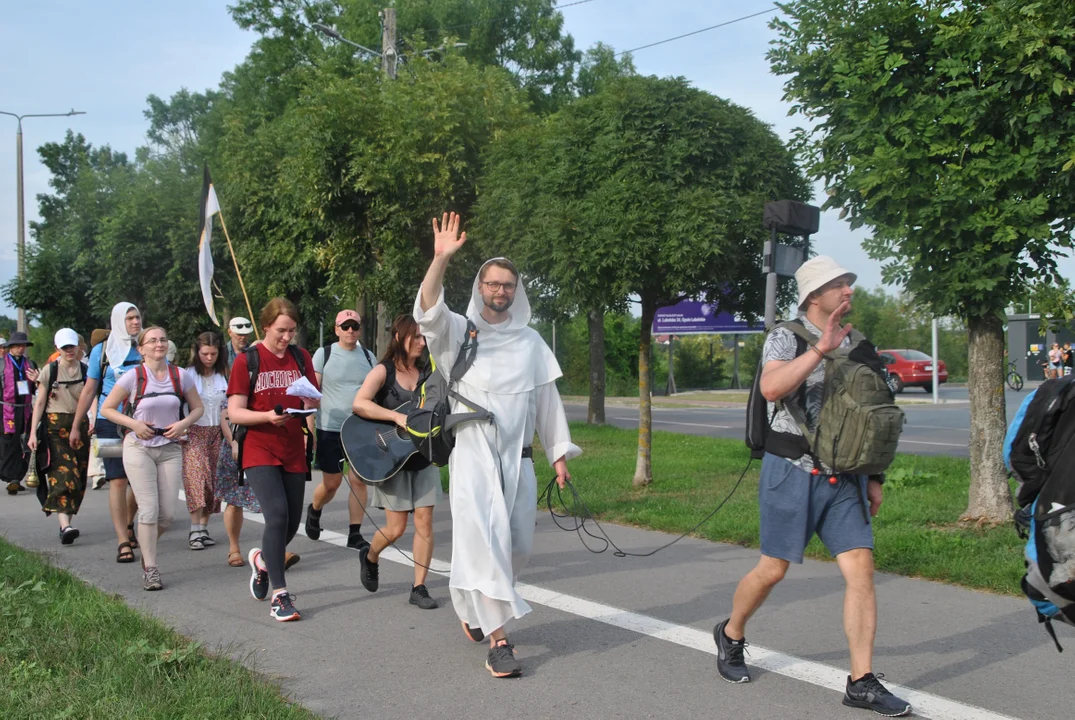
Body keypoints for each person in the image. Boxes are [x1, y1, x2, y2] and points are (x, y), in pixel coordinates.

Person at [713, 256, 911, 717]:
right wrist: (820, 349)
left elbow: (872, 412)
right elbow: (770, 388)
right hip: (792, 470)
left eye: (848, 284)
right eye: (838, 284)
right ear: (813, 295)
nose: (848, 291)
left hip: (846, 478)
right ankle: (732, 632)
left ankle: (861, 681)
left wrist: (875, 476)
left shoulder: (859, 341)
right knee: (773, 570)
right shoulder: (786, 335)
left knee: (860, 571)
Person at [411, 212, 579, 678]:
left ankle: (471, 608)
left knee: (516, 546)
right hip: (474, 455)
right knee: (484, 543)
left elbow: (546, 400)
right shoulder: (457, 333)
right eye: (492, 283)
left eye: (508, 284)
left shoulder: (530, 343)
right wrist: (440, 259)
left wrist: (558, 452)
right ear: (480, 287)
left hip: (519, 461)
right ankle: (499, 641)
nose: (500, 290)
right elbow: (426, 308)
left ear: (516, 290)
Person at [227, 298, 320, 622]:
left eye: (292, 331)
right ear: (266, 326)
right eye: (281, 330)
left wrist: (310, 402)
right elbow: (235, 411)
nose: (286, 337)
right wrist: (266, 416)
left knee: (291, 522)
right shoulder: (247, 361)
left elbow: (312, 399)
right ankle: (280, 597)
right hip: (259, 447)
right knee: (277, 516)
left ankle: (263, 561)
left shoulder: (300, 356)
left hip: (293, 446)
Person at [101, 326, 204, 591]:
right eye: (153, 341)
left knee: (167, 515)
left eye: (163, 339)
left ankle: (146, 548)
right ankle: (151, 567)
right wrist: (133, 425)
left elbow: (198, 408)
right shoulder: (133, 376)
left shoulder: (179, 376)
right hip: (139, 447)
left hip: (170, 447)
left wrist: (183, 424)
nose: (159, 344)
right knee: (148, 509)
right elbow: (107, 409)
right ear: (141, 348)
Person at [354, 315, 442, 610]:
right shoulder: (384, 371)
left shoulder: (430, 372)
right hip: (392, 458)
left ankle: (419, 587)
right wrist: (395, 416)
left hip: (423, 456)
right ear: (398, 338)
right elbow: (360, 403)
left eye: (423, 337)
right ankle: (370, 555)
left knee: (425, 522)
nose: (421, 342)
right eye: (415, 337)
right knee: (395, 529)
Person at [71, 303, 143, 563]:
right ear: (117, 321)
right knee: (117, 479)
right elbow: (89, 390)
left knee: (140, 481)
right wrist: (78, 424)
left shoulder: (146, 346)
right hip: (107, 422)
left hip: (141, 424)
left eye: (137, 317)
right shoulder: (101, 352)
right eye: (130, 318)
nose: (135, 322)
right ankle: (123, 540)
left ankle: (128, 522)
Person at [305, 309, 374, 550]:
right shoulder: (323, 354)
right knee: (332, 483)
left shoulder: (368, 356)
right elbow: (312, 396)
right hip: (329, 428)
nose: (350, 330)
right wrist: (309, 430)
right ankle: (314, 510)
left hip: (359, 428)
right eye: (345, 326)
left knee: (358, 481)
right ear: (336, 330)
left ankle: (354, 533)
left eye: (354, 326)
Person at [27, 328, 91, 544]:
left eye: (71, 346)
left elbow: (92, 398)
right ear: (57, 349)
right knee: (63, 475)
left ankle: (67, 523)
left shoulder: (86, 371)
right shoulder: (49, 371)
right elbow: (40, 403)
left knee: (79, 477)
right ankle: (65, 526)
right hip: (55, 428)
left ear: (78, 346)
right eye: (64, 347)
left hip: (80, 426)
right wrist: (33, 432)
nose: (69, 350)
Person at [183, 332, 229, 551]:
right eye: (205, 354)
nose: (209, 358)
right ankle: (194, 527)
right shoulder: (188, 375)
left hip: (218, 432)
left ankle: (203, 527)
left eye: (213, 354)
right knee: (196, 477)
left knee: (213, 480)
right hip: (194, 431)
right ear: (197, 352)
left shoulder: (225, 375)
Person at [217, 400, 262, 568]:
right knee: (234, 501)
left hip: (264, 447)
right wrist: (234, 442)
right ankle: (234, 547)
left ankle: (277, 548)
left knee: (274, 501)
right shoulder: (238, 385)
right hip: (236, 448)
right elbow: (225, 418)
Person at [1, 331, 39, 494]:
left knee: (22, 442)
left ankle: (16, 477)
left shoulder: (30, 364)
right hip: (5, 409)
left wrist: (37, 380)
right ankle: (11, 477)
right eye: (17, 345)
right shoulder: (1, 364)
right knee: (7, 442)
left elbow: (38, 389)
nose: (20, 348)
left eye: (22, 345)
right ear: (10, 347)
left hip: (24, 409)